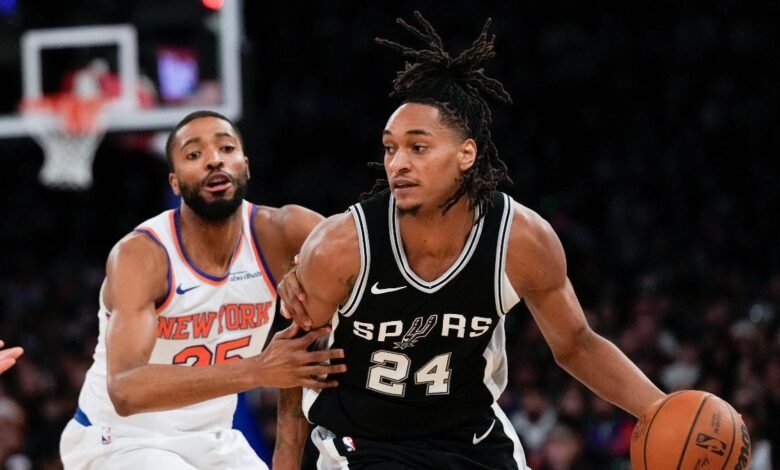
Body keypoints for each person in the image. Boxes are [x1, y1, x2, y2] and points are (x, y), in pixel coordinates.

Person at [275, 12, 666, 469]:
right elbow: (295, 361)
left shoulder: (521, 239)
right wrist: (285, 459)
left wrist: (661, 409)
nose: (398, 162)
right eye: (389, 148)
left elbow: (576, 344)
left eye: (417, 147)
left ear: (466, 154)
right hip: (364, 443)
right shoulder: (341, 246)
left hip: (471, 438)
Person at [59, 110, 347, 470]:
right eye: (194, 155)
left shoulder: (286, 234)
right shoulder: (142, 255)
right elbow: (125, 389)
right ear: (175, 183)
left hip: (213, 439)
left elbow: (300, 353)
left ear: (245, 164)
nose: (214, 160)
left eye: (226, 148)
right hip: (118, 439)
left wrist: (285, 458)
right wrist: (258, 370)